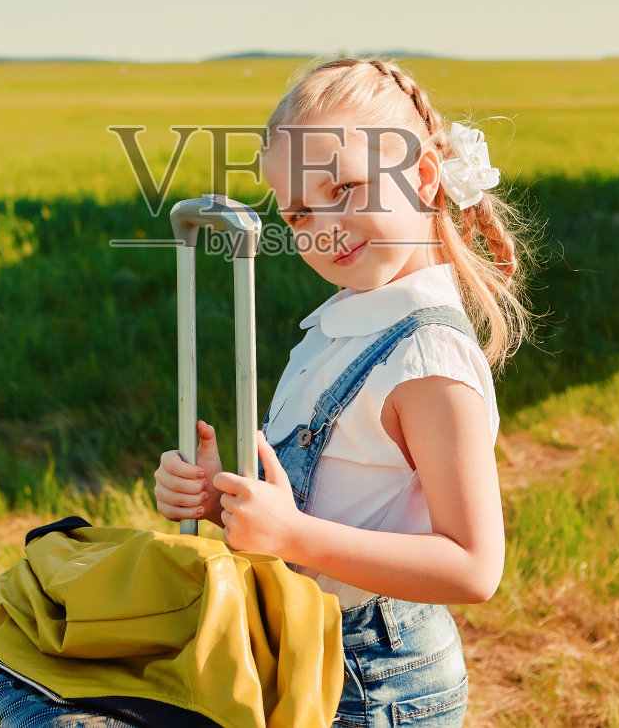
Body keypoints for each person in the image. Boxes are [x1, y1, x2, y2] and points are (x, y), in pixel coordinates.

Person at [154, 54, 534, 727]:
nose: (323, 226)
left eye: (346, 189)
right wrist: (226, 499)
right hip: (310, 647)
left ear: (421, 177)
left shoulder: (427, 357)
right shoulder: (344, 322)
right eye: (299, 213)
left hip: (379, 683)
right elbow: (333, 491)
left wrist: (294, 535)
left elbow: (475, 565)